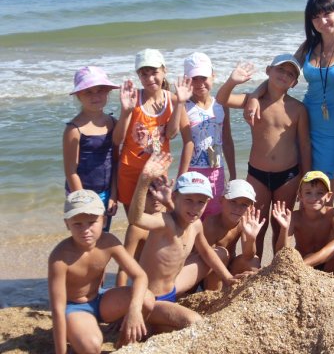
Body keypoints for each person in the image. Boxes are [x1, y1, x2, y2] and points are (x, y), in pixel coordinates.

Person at [245, 0, 334, 195]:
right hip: (302, 122)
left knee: (322, 191)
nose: (322, 21)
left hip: (333, 129)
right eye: (316, 17)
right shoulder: (309, 45)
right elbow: (281, 75)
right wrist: (255, 96)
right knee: (299, 188)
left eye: (327, 14)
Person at [47, 190, 155, 354]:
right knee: (91, 348)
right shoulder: (60, 257)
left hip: (100, 299)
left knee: (147, 298)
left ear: (103, 221)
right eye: (77, 224)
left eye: (92, 222)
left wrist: (134, 310)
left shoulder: (108, 242)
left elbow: (140, 276)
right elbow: (57, 308)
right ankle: (75, 334)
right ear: (67, 224)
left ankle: (124, 340)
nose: (85, 230)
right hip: (74, 308)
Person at [127, 152, 239, 333]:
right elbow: (136, 218)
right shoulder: (164, 222)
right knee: (194, 321)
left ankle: (210, 296)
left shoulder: (195, 225)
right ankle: (151, 321)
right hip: (151, 298)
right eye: (188, 200)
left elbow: (206, 252)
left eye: (201, 202)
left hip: (174, 287)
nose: (195, 208)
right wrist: (144, 181)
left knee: (218, 252)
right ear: (174, 197)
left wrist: (228, 278)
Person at [215, 54, 311, 261]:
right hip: (257, 175)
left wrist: (306, 179)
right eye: (280, 69)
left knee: (280, 224)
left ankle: (279, 265)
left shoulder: (298, 109)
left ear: (294, 83)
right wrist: (232, 81)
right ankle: (254, 265)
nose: (284, 75)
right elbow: (221, 99)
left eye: (290, 74)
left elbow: (304, 145)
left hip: (288, 177)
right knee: (256, 223)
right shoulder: (252, 101)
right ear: (268, 70)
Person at [113, 48, 192, 211]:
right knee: (135, 222)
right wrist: (126, 112)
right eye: (144, 74)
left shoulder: (173, 100)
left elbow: (171, 134)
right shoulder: (132, 99)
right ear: (139, 76)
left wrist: (180, 103)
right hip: (130, 172)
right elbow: (117, 140)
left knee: (157, 221)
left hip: (157, 171)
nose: (150, 79)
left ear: (164, 71)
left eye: (154, 72)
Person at [272, 171, 334, 285]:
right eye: (308, 192)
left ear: (328, 196)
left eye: (320, 193)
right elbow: (281, 253)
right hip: (305, 264)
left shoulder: (332, 214)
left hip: (327, 264)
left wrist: (308, 261)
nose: (314, 197)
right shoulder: (294, 217)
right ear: (300, 195)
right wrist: (284, 229)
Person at [175, 179, 264, 292]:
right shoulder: (211, 223)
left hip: (229, 267)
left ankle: (245, 294)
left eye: (244, 204)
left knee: (253, 261)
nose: (237, 208)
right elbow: (202, 258)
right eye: (233, 201)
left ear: (250, 208)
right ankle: (214, 294)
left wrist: (251, 239)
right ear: (221, 200)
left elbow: (248, 256)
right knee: (220, 253)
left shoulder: (244, 222)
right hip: (209, 272)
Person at [178, 52, 236, 218]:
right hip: (193, 172)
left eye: (203, 77)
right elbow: (187, 142)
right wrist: (181, 178)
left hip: (217, 170)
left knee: (215, 217)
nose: (199, 83)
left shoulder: (221, 104)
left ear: (213, 75)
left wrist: (233, 174)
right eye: (194, 79)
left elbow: (227, 140)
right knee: (193, 218)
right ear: (186, 80)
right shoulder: (184, 106)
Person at [63, 66, 120, 231]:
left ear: (108, 92)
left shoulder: (113, 123)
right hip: (80, 194)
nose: (95, 96)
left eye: (100, 90)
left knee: (102, 235)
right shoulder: (74, 129)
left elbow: (115, 162)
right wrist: (84, 204)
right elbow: (71, 172)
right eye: (88, 92)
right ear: (78, 95)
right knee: (85, 238)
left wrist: (114, 195)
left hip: (106, 193)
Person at [115, 185, 167, 287]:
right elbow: (124, 267)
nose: (155, 197)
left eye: (159, 192)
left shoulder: (172, 218)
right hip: (148, 282)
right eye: (149, 194)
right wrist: (120, 291)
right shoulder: (137, 228)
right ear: (141, 197)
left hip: (170, 279)